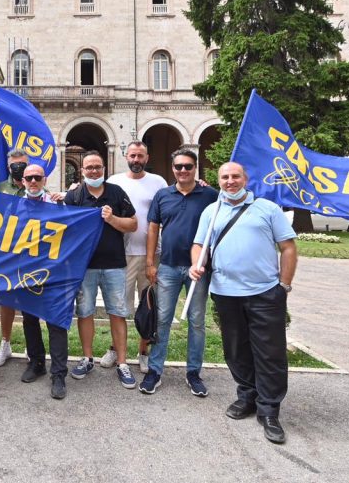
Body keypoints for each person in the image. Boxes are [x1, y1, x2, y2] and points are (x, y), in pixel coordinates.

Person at [190, 161, 297, 445]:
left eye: (235, 176)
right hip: (226, 292)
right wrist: (195, 264)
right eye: (224, 177)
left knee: (269, 353)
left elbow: (288, 247)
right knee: (235, 349)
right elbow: (199, 244)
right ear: (219, 180)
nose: (230, 181)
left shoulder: (267, 209)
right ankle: (247, 396)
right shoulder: (212, 211)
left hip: (264, 293)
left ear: (245, 179)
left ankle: (269, 410)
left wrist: (283, 286)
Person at [140, 149, 219, 396]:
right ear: (172, 169)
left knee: (196, 322)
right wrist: (150, 262)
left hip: (198, 270)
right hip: (169, 266)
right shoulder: (163, 195)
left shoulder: (210, 195)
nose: (183, 170)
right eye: (178, 167)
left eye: (187, 166)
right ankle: (155, 370)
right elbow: (153, 229)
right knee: (162, 319)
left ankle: (193, 373)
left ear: (196, 168)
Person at [63, 151, 138, 389]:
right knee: (84, 312)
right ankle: (87, 358)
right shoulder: (74, 195)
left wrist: (113, 219)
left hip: (114, 264)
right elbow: (66, 227)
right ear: (82, 170)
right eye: (89, 168)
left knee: (118, 312)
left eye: (97, 167)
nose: (93, 171)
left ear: (103, 168)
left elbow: (133, 224)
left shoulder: (116, 192)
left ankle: (123, 363)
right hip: (85, 266)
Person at [106, 140, 168, 372]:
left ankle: (144, 352)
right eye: (132, 156)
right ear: (126, 157)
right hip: (120, 255)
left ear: (147, 158)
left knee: (148, 307)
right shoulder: (114, 182)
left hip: (151, 255)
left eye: (140, 156)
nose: (136, 160)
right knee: (118, 306)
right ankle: (115, 348)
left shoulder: (158, 182)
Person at [17, 164, 70, 399]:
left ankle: (59, 374)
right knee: (29, 318)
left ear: (44, 178)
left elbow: (72, 232)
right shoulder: (14, 205)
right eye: (29, 178)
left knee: (56, 322)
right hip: (26, 270)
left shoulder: (57, 204)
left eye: (37, 177)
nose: (33, 181)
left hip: (55, 272)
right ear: (23, 181)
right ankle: (36, 362)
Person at [0, 146, 29, 367]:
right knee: (6, 300)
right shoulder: (0, 187)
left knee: (30, 299)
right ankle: (5, 343)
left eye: (22, 164)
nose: (18, 168)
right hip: (6, 252)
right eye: (15, 165)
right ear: (8, 166)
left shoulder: (36, 184)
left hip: (31, 253)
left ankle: (30, 345)